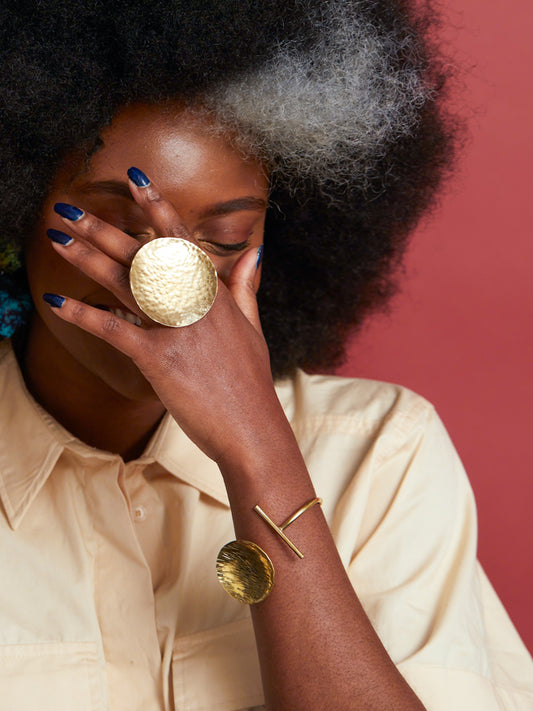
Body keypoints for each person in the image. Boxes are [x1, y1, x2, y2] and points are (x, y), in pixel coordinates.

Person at [0, 1, 531, 710]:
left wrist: (257, 451)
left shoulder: (378, 454)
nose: (169, 286)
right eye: (110, 229)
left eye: (221, 241)